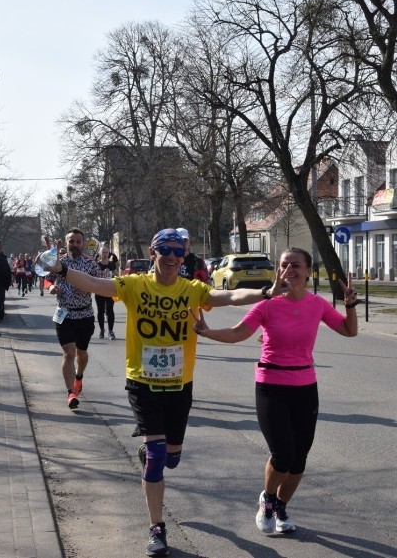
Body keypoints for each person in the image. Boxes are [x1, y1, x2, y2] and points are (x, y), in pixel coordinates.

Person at [37, 228, 290, 557]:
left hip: (180, 385)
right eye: (165, 250)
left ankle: (151, 455)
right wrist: (60, 270)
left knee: (171, 458)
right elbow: (96, 285)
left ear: (183, 257)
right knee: (157, 458)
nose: (172, 256)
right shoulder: (135, 285)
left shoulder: (192, 289)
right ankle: (157, 527)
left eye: (178, 252)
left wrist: (266, 293)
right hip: (142, 382)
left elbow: (228, 297)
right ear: (153, 253)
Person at [190, 247, 358, 535]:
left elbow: (348, 331)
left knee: (299, 459)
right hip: (271, 385)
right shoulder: (267, 304)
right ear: (277, 271)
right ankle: (267, 500)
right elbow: (238, 332)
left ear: (308, 271)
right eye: (284, 265)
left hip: (305, 387)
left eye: (295, 265)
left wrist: (350, 306)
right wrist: (207, 333)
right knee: (282, 454)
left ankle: (281, 506)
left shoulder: (316, 304)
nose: (289, 270)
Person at [46, 229, 101, 410]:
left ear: (83, 244)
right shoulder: (59, 262)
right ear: (66, 243)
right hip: (63, 314)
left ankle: (79, 377)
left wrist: (88, 288)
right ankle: (70, 393)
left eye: (78, 241)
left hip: (84, 314)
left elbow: (99, 284)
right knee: (69, 353)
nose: (75, 245)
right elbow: (47, 280)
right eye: (72, 241)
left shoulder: (90, 264)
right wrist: (52, 287)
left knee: (81, 353)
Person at [95, 245, 118, 340]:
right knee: (100, 311)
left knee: (110, 310)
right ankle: (102, 329)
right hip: (99, 289)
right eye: (103, 252)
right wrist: (102, 273)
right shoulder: (96, 264)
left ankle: (110, 331)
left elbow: (117, 274)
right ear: (100, 254)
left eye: (106, 252)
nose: (104, 254)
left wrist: (111, 273)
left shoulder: (112, 264)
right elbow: (93, 276)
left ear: (109, 254)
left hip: (109, 289)